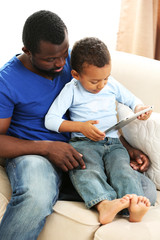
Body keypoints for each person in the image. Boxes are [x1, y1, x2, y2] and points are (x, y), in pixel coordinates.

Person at [0, 10, 156, 240]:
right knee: (36, 196)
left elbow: (96, 111)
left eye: (64, 53)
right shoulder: (7, 81)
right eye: (51, 59)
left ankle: (85, 192)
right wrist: (46, 148)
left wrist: (123, 147)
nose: (61, 63)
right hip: (35, 154)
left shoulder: (75, 62)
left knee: (145, 192)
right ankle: (56, 190)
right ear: (27, 51)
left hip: (82, 150)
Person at [45, 37, 155, 224]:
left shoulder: (111, 84)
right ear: (76, 75)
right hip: (83, 143)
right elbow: (51, 120)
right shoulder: (71, 90)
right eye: (95, 81)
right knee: (87, 170)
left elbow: (132, 100)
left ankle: (133, 206)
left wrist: (139, 109)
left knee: (123, 170)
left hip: (113, 143)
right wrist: (80, 127)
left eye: (105, 78)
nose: (102, 85)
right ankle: (104, 204)